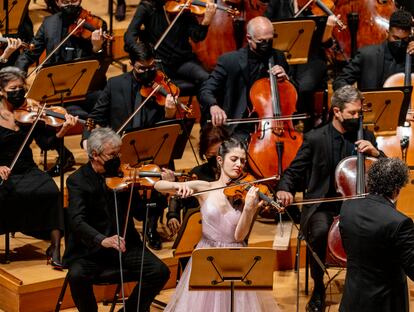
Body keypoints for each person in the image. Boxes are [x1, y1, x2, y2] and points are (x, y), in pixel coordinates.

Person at [276, 85, 385, 312]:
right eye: (353, 113)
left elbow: (386, 173)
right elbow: (293, 172)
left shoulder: (367, 136)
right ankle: (318, 288)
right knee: (318, 232)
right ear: (336, 112)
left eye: (360, 113)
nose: (358, 118)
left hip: (358, 205)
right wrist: (284, 189)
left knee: (381, 231)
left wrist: (377, 154)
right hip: (322, 206)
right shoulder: (315, 138)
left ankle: (368, 288)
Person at [155, 138, 280, 311]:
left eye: (243, 161)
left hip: (235, 257)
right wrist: (177, 187)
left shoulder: (248, 195)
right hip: (208, 254)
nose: (239, 165)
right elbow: (159, 186)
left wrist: (249, 210)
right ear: (220, 160)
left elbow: (239, 237)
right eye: (234, 159)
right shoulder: (205, 187)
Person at [82, 41, 178, 250]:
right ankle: (124, 225)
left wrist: (170, 113)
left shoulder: (162, 87)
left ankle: (151, 225)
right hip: (121, 149)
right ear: (132, 64)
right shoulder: (115, 84)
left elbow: (169, 128)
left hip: (152, 147)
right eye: (142, 68)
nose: (148, 72)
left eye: (152, 67)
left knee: (164, 168)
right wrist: (87, 138)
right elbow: (95, 116)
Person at [63, 127, 171, 312]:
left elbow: (139, 212)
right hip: (90, 251)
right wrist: (102, 240)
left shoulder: (124, 176)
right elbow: (76, 221)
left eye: (119, 152)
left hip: (124, 246)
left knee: (160, 272)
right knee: (76, 275)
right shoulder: (77, 181)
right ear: (95, 155)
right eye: (113, 154)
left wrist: (162, 195)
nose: (118, 158)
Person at [15, 0, 109, 176]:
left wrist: (97, 49)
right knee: (36, 114)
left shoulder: (96, 24)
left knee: (111, 103)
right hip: (56, 90)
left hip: (87, 90)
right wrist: (19, 74)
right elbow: (29, 54)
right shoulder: (49, 23)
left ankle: (103, 156)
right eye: (65, 0)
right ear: (57, 2)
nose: (70, 3)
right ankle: (64, 155)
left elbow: (103, 65)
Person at [0, 66, 77, 269]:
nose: (19, 93)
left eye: (21, 88)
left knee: (52, 191)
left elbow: (45, 143)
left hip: (26, 168)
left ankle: (55, 248)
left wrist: (62, 131)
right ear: (1, 91)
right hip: (3, 172)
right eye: (13, 88)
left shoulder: (30, 112)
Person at [339, 157, 414, 312]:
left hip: (352, 300)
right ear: (397, 189)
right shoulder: (400, 222)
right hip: (385, 304)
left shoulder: (347, 208)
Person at [199, 16, 290, 140]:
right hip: (238, 124)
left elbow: (294, 90)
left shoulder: (278, 57)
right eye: (261, 41)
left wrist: (286, 80)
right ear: (249, 38)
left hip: (270, 124)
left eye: (270, 40)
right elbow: (206, 90)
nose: (267, 45)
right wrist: (213, 106)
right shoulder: (230, 61)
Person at [264, 0, 339, 130]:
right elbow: (265, 24)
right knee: (278, 82)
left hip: (311, 56)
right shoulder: (278, 2)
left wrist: (328, 27)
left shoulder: (320, 6)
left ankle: (305, 121)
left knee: (305, 86)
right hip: (282, 54)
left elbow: (326, 43)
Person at [123, 0, 216, 88]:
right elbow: (129, 36)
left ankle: (211, 105)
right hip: (158, 63)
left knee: (207, 79)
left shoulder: (185, 7)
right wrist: (141, 54)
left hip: (183, 61)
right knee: (149, 84)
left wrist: (206, 22)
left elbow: (196, 37)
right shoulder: (148, 7)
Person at [167, 124, 229, 235]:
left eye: (220, 154)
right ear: (204, 153)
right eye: (211, 156)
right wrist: (173, 215)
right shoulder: (197, 173)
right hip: (200, 230)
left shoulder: (235, 174)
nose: (217, 161)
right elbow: (177, 197)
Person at [333, 10, 414, 91]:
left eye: (405, 39)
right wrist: (355, 97)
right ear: (387, 33)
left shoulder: (412, 56)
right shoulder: (366, 55)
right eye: (396, 38)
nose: (400, 43)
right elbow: (340, 82)